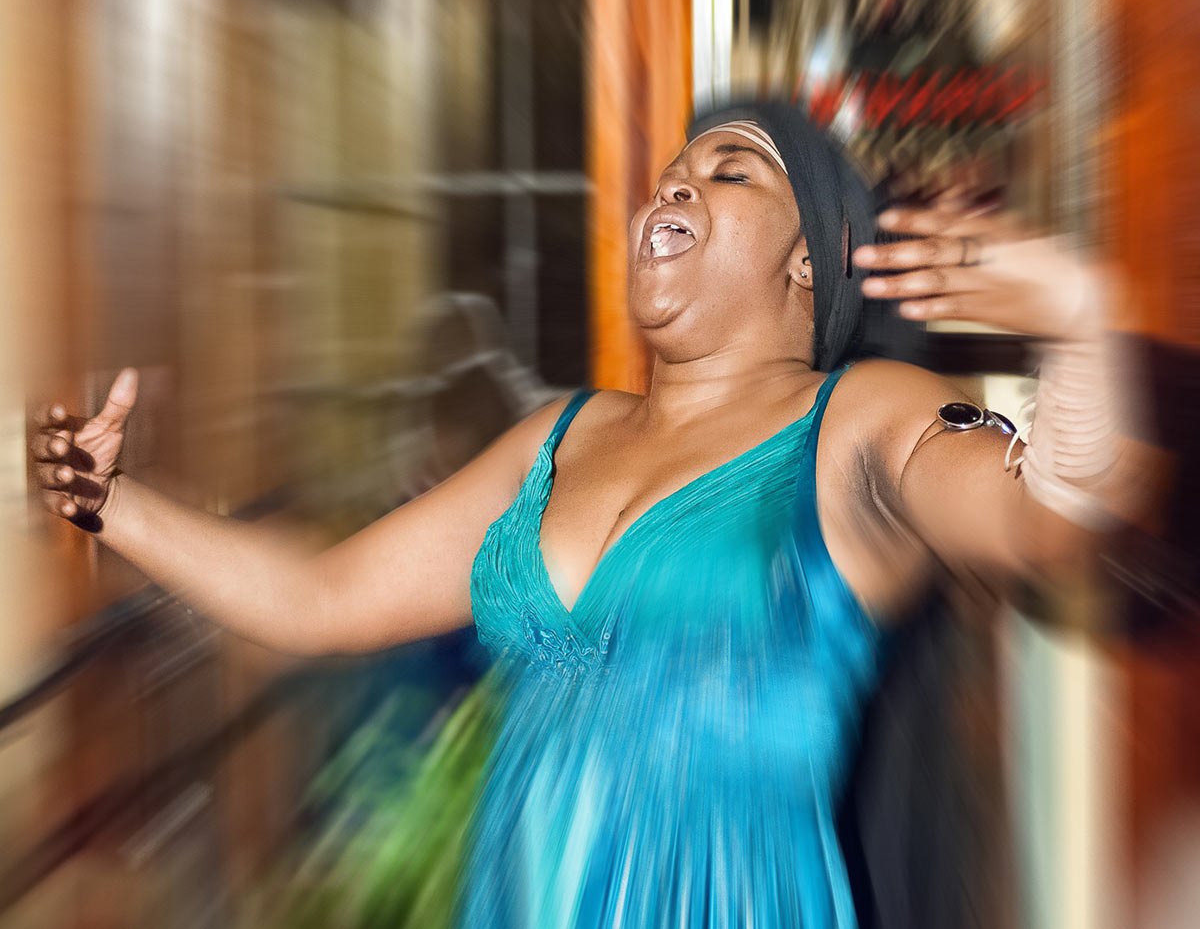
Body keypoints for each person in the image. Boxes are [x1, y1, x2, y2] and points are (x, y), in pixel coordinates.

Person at [33, 101, 1130, 928]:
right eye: (668, 177)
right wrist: (109, 503)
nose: (674, 190)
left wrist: (1083, 319)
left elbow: (1054, 527)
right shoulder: (555, 438)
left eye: (728, 171)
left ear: (809, 258)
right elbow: (319, 598)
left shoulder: (858, 421)